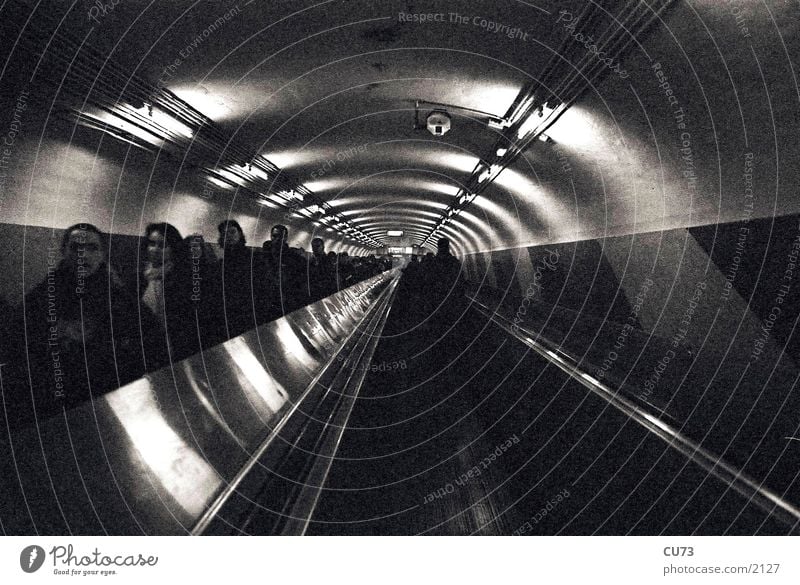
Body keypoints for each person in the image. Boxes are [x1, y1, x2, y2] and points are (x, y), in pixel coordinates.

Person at [12, 223, 142, 422]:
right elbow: (18, 338)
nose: (84, 255)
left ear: (102, 254)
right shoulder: (43, 294)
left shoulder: (119, 298)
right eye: (76, 248)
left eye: (92, 248)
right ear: (63, 251)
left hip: (102, 394)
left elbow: (145, 343)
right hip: (50, 396)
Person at [138, 223, 197, 369]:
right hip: (144, 349)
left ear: (173, 249)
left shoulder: (183, 279)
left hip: (176, 350)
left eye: (162, 245)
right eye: (152, 244)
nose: (155, 250)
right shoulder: (139, 277)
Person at [217, 219, 262, 337]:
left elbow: (264, 287)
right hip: (230, 318)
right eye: (224, 234)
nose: (228, 236)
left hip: (252, 315)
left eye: (232, 232)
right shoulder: (221, 265)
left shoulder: (255, 259)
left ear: (240, 234)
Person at [262, 224, 305, 319]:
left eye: (280, 236)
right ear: (270, 236)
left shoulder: (294, 258)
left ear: (285, 238)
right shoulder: (264, 256)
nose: (276, 239)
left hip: (287, 302)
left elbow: (299, 283)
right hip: (268, 302)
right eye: (274, 236)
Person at [306, 237, 335, 301]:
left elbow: (329, 279)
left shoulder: (327, 261)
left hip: (324, 294)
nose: (314, 249)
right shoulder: (311, 261)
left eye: (317, 246)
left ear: (323, 247)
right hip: (313, 293)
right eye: (313, 246)